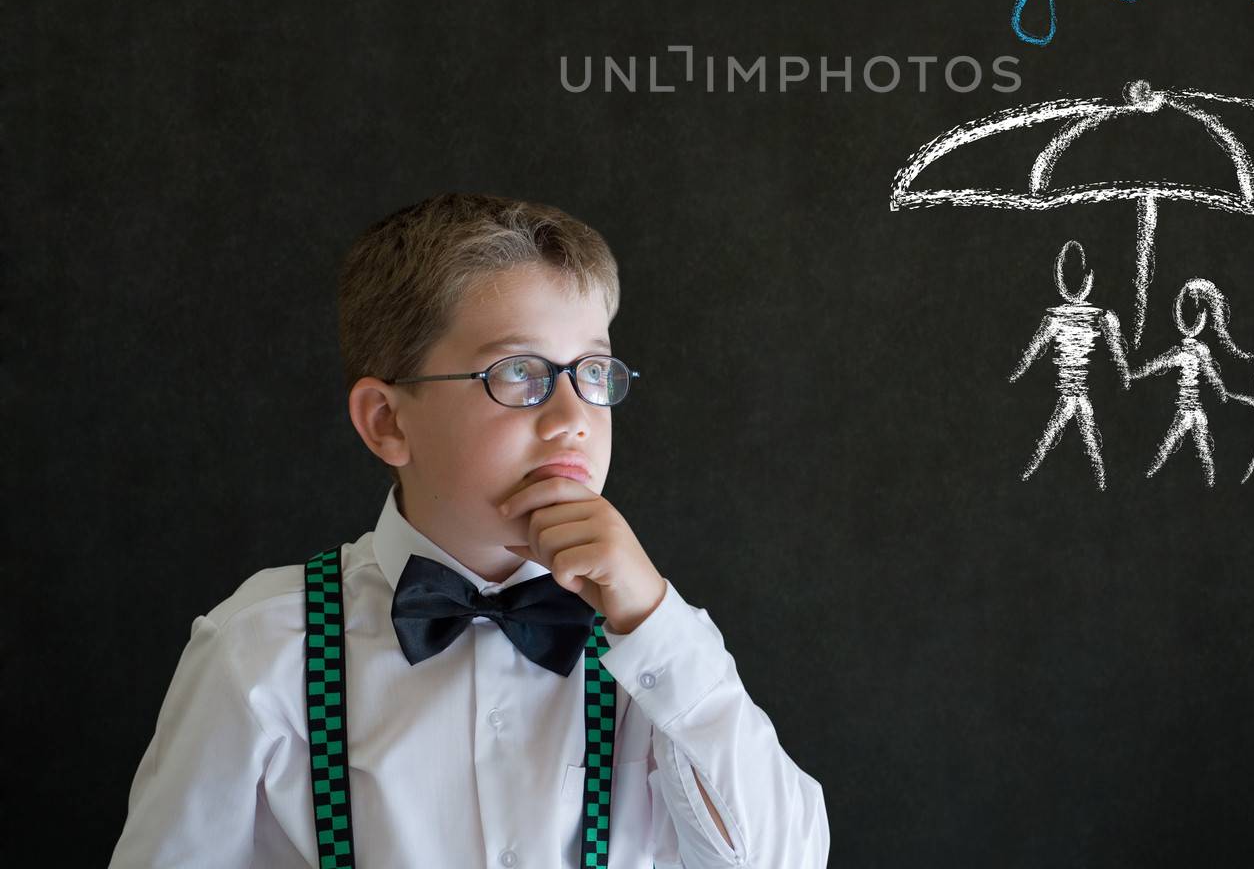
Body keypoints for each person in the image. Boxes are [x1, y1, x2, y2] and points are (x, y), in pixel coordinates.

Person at [108, 192, 830, 869]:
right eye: (519, 372)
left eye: (594, 371)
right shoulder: (263, 647)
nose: (573, 416)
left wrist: (654, 623)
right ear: (388, 422)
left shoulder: (657, 651)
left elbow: (786, 858)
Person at [1008, 239, 1131, 488]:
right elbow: (1118, 355)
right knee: (1077, 436)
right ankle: (1100, 481)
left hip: (1072, 391)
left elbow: (1032, 353)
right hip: (1076, 392)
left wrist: (1017, 373)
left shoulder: (1058, 319)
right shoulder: (1101, 317)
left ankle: (1034, 474)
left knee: (1057, 435)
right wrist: (1125, 374)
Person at [1130, 277, 1251, 487]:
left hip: (1190, 410)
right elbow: (1211, 374)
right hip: (1194, 410)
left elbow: (1158, 365)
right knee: (1195, 447)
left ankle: (1159, 473)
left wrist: (1137, 374)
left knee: (1177, 445)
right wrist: (1221, 390)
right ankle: (1207, 479)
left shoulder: (1188, 352)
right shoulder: (1199, 351)